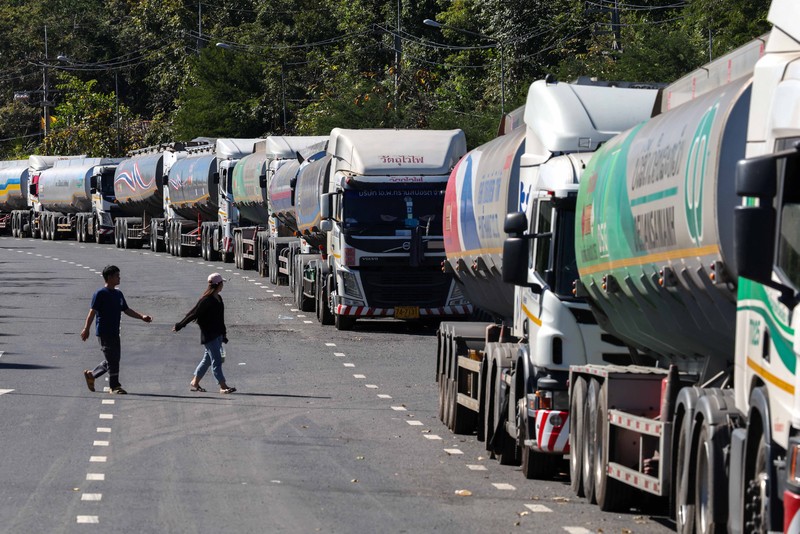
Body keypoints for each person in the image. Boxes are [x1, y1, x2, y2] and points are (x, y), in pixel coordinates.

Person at [80, 265, 152, 394]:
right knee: (112, 360)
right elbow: (92, 313)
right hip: (104, 332)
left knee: (114, 359)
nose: (119, 278)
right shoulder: (100, 294)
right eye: (117, 275)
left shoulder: (118, 294)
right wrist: (86, 329)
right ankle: (115, 386)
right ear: (109, 277)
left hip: (114, 332)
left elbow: (126, 310)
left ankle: (92, 375)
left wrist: (142, 317)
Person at [173, 273, 236, 394]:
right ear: (218, 285)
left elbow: (220, 318)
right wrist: (180, 325)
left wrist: (224, 334)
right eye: (222, 283)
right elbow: (193, 313)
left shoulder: (219, 298)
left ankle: (195, 382)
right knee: (216, 360)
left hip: (217, 335)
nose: (223, 285)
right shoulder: (206, 300)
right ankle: (223, 386)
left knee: (207, 360)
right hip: (209, 335)